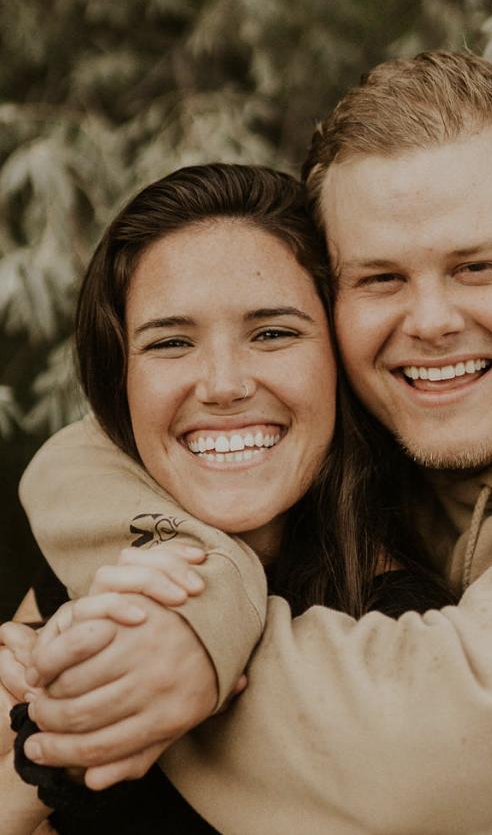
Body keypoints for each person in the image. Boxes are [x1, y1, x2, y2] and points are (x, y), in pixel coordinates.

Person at [6, 49, 492, 833]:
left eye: (475, 267)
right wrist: (203, 590)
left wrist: (139, 670)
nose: (430, 322)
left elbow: (418, 763)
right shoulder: (402, 435)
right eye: (381, 279)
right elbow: (95, 454)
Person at [0, 161, 453, 833]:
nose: (222, 385)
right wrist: (43, 726)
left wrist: (59, 736)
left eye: (272, 333)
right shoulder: (105, 563)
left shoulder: (402, 637)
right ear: (120, 383)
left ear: (339, 358)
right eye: (171, 342)